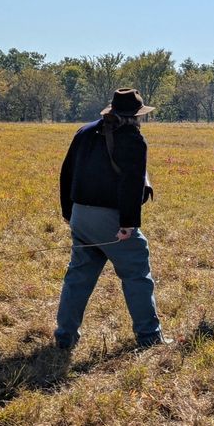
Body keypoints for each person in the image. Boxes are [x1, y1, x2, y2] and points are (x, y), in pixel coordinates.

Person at [56, 88, 165, 349]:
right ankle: (149, 337)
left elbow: (66, 173)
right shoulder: (134, 139)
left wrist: (70, 214)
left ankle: (64, 336)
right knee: (137, 273)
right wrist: (128, 224)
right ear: (137, 116)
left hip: (80, 215)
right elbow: (132, 183)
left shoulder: (83, 132)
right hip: (112, 221)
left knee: (78, 278)